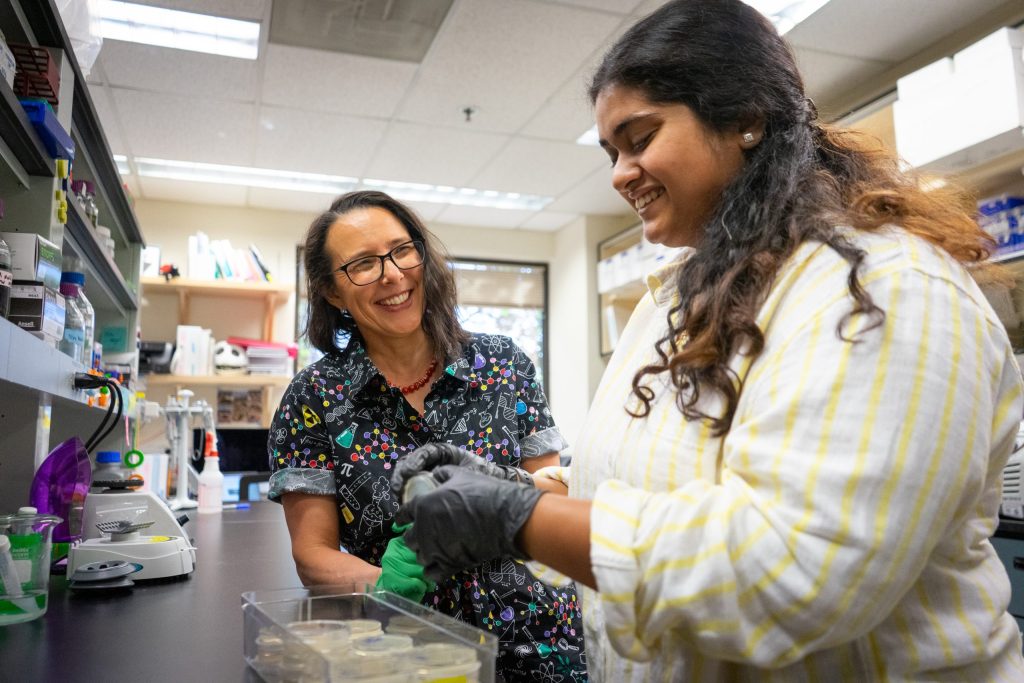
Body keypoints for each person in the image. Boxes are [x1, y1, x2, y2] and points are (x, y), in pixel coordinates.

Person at [390, 1, 1024, 680]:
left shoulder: (884, 287)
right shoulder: (682, 293)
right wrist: (527, 485)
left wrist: (518, 519)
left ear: (746, 118)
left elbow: (793, 567)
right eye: (611, 152)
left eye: (639, 138)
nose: (618, 173)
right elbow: (658, 470)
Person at [266, 190, 588, 681]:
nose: (393, 274)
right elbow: (312, 555)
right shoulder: (315, 396)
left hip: (540, 642)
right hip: (413, 653)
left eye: (401, 250)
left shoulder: (504, 365)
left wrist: (497, 494)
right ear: (333, 291)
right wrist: (383, 585)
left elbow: (557, 492)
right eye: (363, 264)